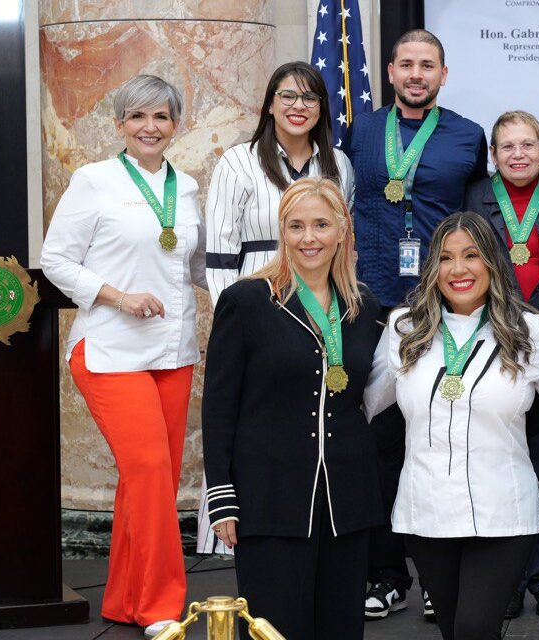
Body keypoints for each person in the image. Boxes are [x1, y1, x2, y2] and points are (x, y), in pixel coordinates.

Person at [40, 74, 205, 638]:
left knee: (147, 482)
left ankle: (125, 599)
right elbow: (56, 260)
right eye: (138, 117)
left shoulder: (185, 188)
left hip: (174, 349)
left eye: (161, 117)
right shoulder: (93, 180)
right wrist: (118, 296)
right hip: (109, 348)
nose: (150, 128)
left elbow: (196, 269)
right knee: (151, 469)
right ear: (119, 125)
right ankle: (161, 605)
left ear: (176, 125)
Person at [363, 212, 539, 640]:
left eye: (471, 255)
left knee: (475, 627)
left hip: (504, 513)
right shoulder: (404, 330)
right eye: (446, 257)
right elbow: (363, 406)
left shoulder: (528, 330)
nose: (459, 269)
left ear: (492, 261)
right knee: (457, 631)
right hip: (426, 513)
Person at [345, 28, 489, 620]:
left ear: (443, 75)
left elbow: (479, 220)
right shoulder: (360, 131)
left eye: (427, 65)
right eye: (406, 64)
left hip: (441, 301)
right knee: (377, 439)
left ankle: (440, 575)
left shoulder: (468, 136)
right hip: (371, 301)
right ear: (391, 71)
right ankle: (385, 575)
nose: (416, 74)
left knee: (439, 435)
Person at [201, 177, 384, 640]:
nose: (309, 238)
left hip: (347, 500)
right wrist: (222, 497)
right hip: (269, 498)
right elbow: (219, 406)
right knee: (275, 630)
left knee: (341, 629)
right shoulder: (246, 302)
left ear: (343, 230)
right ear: (282, 232)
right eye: (296, 226)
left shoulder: (365, 309)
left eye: (321, 224)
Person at [196, 60, 356, 555]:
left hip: (320, 303)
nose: (298, 106)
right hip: (257, 309)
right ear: (269, 103)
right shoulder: (238, 162)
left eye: (309, 98)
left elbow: (339, 243)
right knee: (250, 413)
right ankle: (235, 531)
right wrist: (242, 321)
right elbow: (221, 254)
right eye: (287, 96)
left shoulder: (339, 164)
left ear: (322, 109)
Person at [463, 110, 539, 619]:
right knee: (500, 467)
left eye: (528, 144)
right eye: (507, 146)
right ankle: (503, 583)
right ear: (494, 154)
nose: (518, 154)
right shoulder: (476, 200)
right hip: (493, 341)